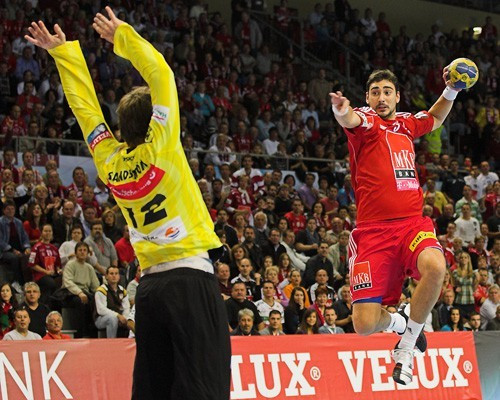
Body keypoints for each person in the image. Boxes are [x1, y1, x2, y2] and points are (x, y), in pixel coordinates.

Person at [27, 12, 230, 398]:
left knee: (153, 390)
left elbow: (86, 113)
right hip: (190, 281)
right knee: (206, 388)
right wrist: (123, 35)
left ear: (122, 129)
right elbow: (162, 73)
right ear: (154, 122)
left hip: (149, 290)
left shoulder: (109, 161)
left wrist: (63, 55)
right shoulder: (162, 146)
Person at [330, 67, 460, 384]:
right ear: (367, 97)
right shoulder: (366, 122)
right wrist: (341, 110)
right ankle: (400, 323)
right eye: (375, 92)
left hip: (412, 225)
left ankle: (406, 345)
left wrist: (452, 90)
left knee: (436, 266)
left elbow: (435, 117)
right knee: (364, 324)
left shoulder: (405, 124)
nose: (381, 97)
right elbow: (350, 119)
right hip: (373, 234)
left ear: (397, 96)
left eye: (387, 91)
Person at [95, 266, 130, 338]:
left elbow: (126, 308)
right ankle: (111, 342)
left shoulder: (122, 291)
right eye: (111, 274)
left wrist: (124, 318)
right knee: (112, 319)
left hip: (119, 317)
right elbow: (101, 310)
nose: (114, 276)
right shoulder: (101, 290)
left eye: (116, 273)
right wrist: (118, 315)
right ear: (106, 276)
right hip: (101, 319)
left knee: (132, 319)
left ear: (119, 276)